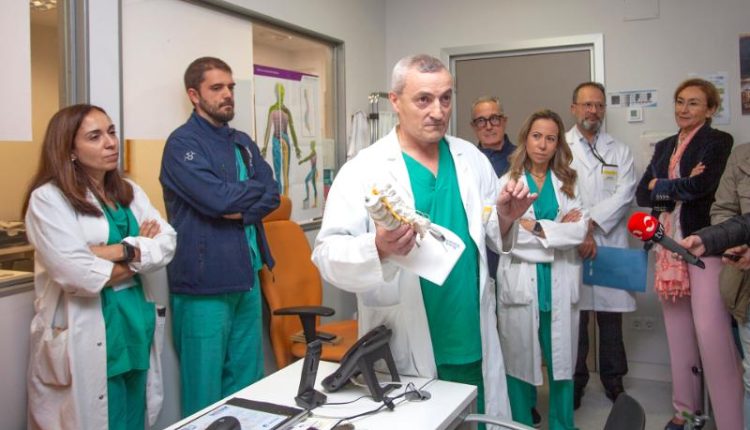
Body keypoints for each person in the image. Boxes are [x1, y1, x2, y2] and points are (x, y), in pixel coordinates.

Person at [311, 54, 536, 421]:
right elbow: (326, 254)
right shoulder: (363, 169)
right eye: (424, 99)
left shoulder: (470, 158)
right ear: (395, 101)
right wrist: (377, 248)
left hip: (470, 332)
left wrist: (507, 218)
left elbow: (488, 231)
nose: (438, 111)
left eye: (445, 98)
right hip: (406, 340)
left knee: (478, 419)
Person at [24, 104, 176, 429]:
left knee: (134, 418)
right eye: (95, 137)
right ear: (70, 150)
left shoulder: (129, 192)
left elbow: (167, 243)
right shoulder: (48, 200)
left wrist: (112, 252)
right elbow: (77, 273)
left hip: (134, 325)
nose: (110, 143)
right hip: (91, 328)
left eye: (111, 132)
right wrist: (137, 249)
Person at [160, 57, 280, 416]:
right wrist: (245, 194)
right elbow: (217, 200)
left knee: (248, 385)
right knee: (204, 393)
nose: (227, 94)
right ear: (194, 95)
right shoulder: (182, 145)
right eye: (217, 88)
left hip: (247, 279)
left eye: (230, 87)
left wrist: (241, 208)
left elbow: (272, 193)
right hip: (204, 286)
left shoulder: (241, 141)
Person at [635, 78, 742, 430]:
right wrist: (668, 186)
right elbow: (642, 194)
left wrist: (661, 185)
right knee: (678, 337)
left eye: (694, 103)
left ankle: (730, 421)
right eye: (680, 101)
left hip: (704, 246)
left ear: (711, 109)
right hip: (669, 249)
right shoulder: (666, 145)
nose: (684, 109)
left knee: (712, 337)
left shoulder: (718, 141)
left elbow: (702, 187)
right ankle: (685, 413)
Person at [497, 109, 587, 429]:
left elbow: (579, 231)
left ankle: (563, 424)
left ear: (558, 144)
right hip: (522, 282)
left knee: (562, 362)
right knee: (519, 358)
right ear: (526, 139)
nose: (543, 144)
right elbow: (503, 237)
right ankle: (521, 421)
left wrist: (535, 227)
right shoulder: (508, 182)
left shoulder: (569, 182)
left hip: (559, 281)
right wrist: (556, 232)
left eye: (550, 138)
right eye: (537, 136)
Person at [471, 95, 543, 427]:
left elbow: (533, 215)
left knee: (519, 337)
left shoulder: (523, 157)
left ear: (504, 121)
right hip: (481, 256)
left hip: (516, 257)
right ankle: (491, 402)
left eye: (494, 118)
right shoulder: (468, 161)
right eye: (481, 120)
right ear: (474, 126)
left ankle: (523, 404)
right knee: (487, 335)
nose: (488, 126)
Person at [565, 82, 637, 409]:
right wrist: (581, 231)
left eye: (599, 105)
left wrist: (590, 225)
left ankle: (613, 381)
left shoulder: (619, 150)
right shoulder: (561, 148)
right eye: (587, 104)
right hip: (573, 244)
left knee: (611, 319)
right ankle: (576, 381)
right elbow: (561, 194)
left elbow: (625, 194)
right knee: (576, 319)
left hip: (609, 242)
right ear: (574, 108)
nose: (593, 111)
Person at [680, 141, 750, 429]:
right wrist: (711, 239)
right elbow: (735, 217)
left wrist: (669, 186)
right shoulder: (743, 155)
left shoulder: (716, 142)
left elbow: (697, 187)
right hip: (744, 285)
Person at [260, 82, 302, 196]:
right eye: (279, 92)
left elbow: (292, 130)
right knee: (279, 172)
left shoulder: (286, 111)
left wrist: (297, 147)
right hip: (277, 139)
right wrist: (264, 147)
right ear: (276, 94)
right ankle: (280, 199)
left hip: (284, 140)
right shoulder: (274, 109)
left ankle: (285, 198)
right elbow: (268, 128)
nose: (280, 95)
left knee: (285, 172)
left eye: (282, 92)